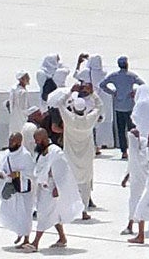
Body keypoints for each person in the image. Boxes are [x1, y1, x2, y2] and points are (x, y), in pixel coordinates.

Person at [31, 126, 82, 246]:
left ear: (43, 139)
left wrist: (58, 188)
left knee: (43, 216)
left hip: (52, 190)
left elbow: (63, 172)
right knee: (53, 215)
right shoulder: (40, 152)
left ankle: (35, 243)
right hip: (42, 189)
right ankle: (62, 238)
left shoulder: (55, 151)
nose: (36, 143)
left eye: (37, 140)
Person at [59, 86, 101, 214]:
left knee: (70, 180)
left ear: (73, 108)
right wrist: (92, 93)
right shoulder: (90, 119)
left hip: (70, 154)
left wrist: (71, 91)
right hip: (87, 154)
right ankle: (84, 210)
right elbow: (99, 105)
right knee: (86, 181)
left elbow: (60, 104)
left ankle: (69, 208)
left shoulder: (69, 119)